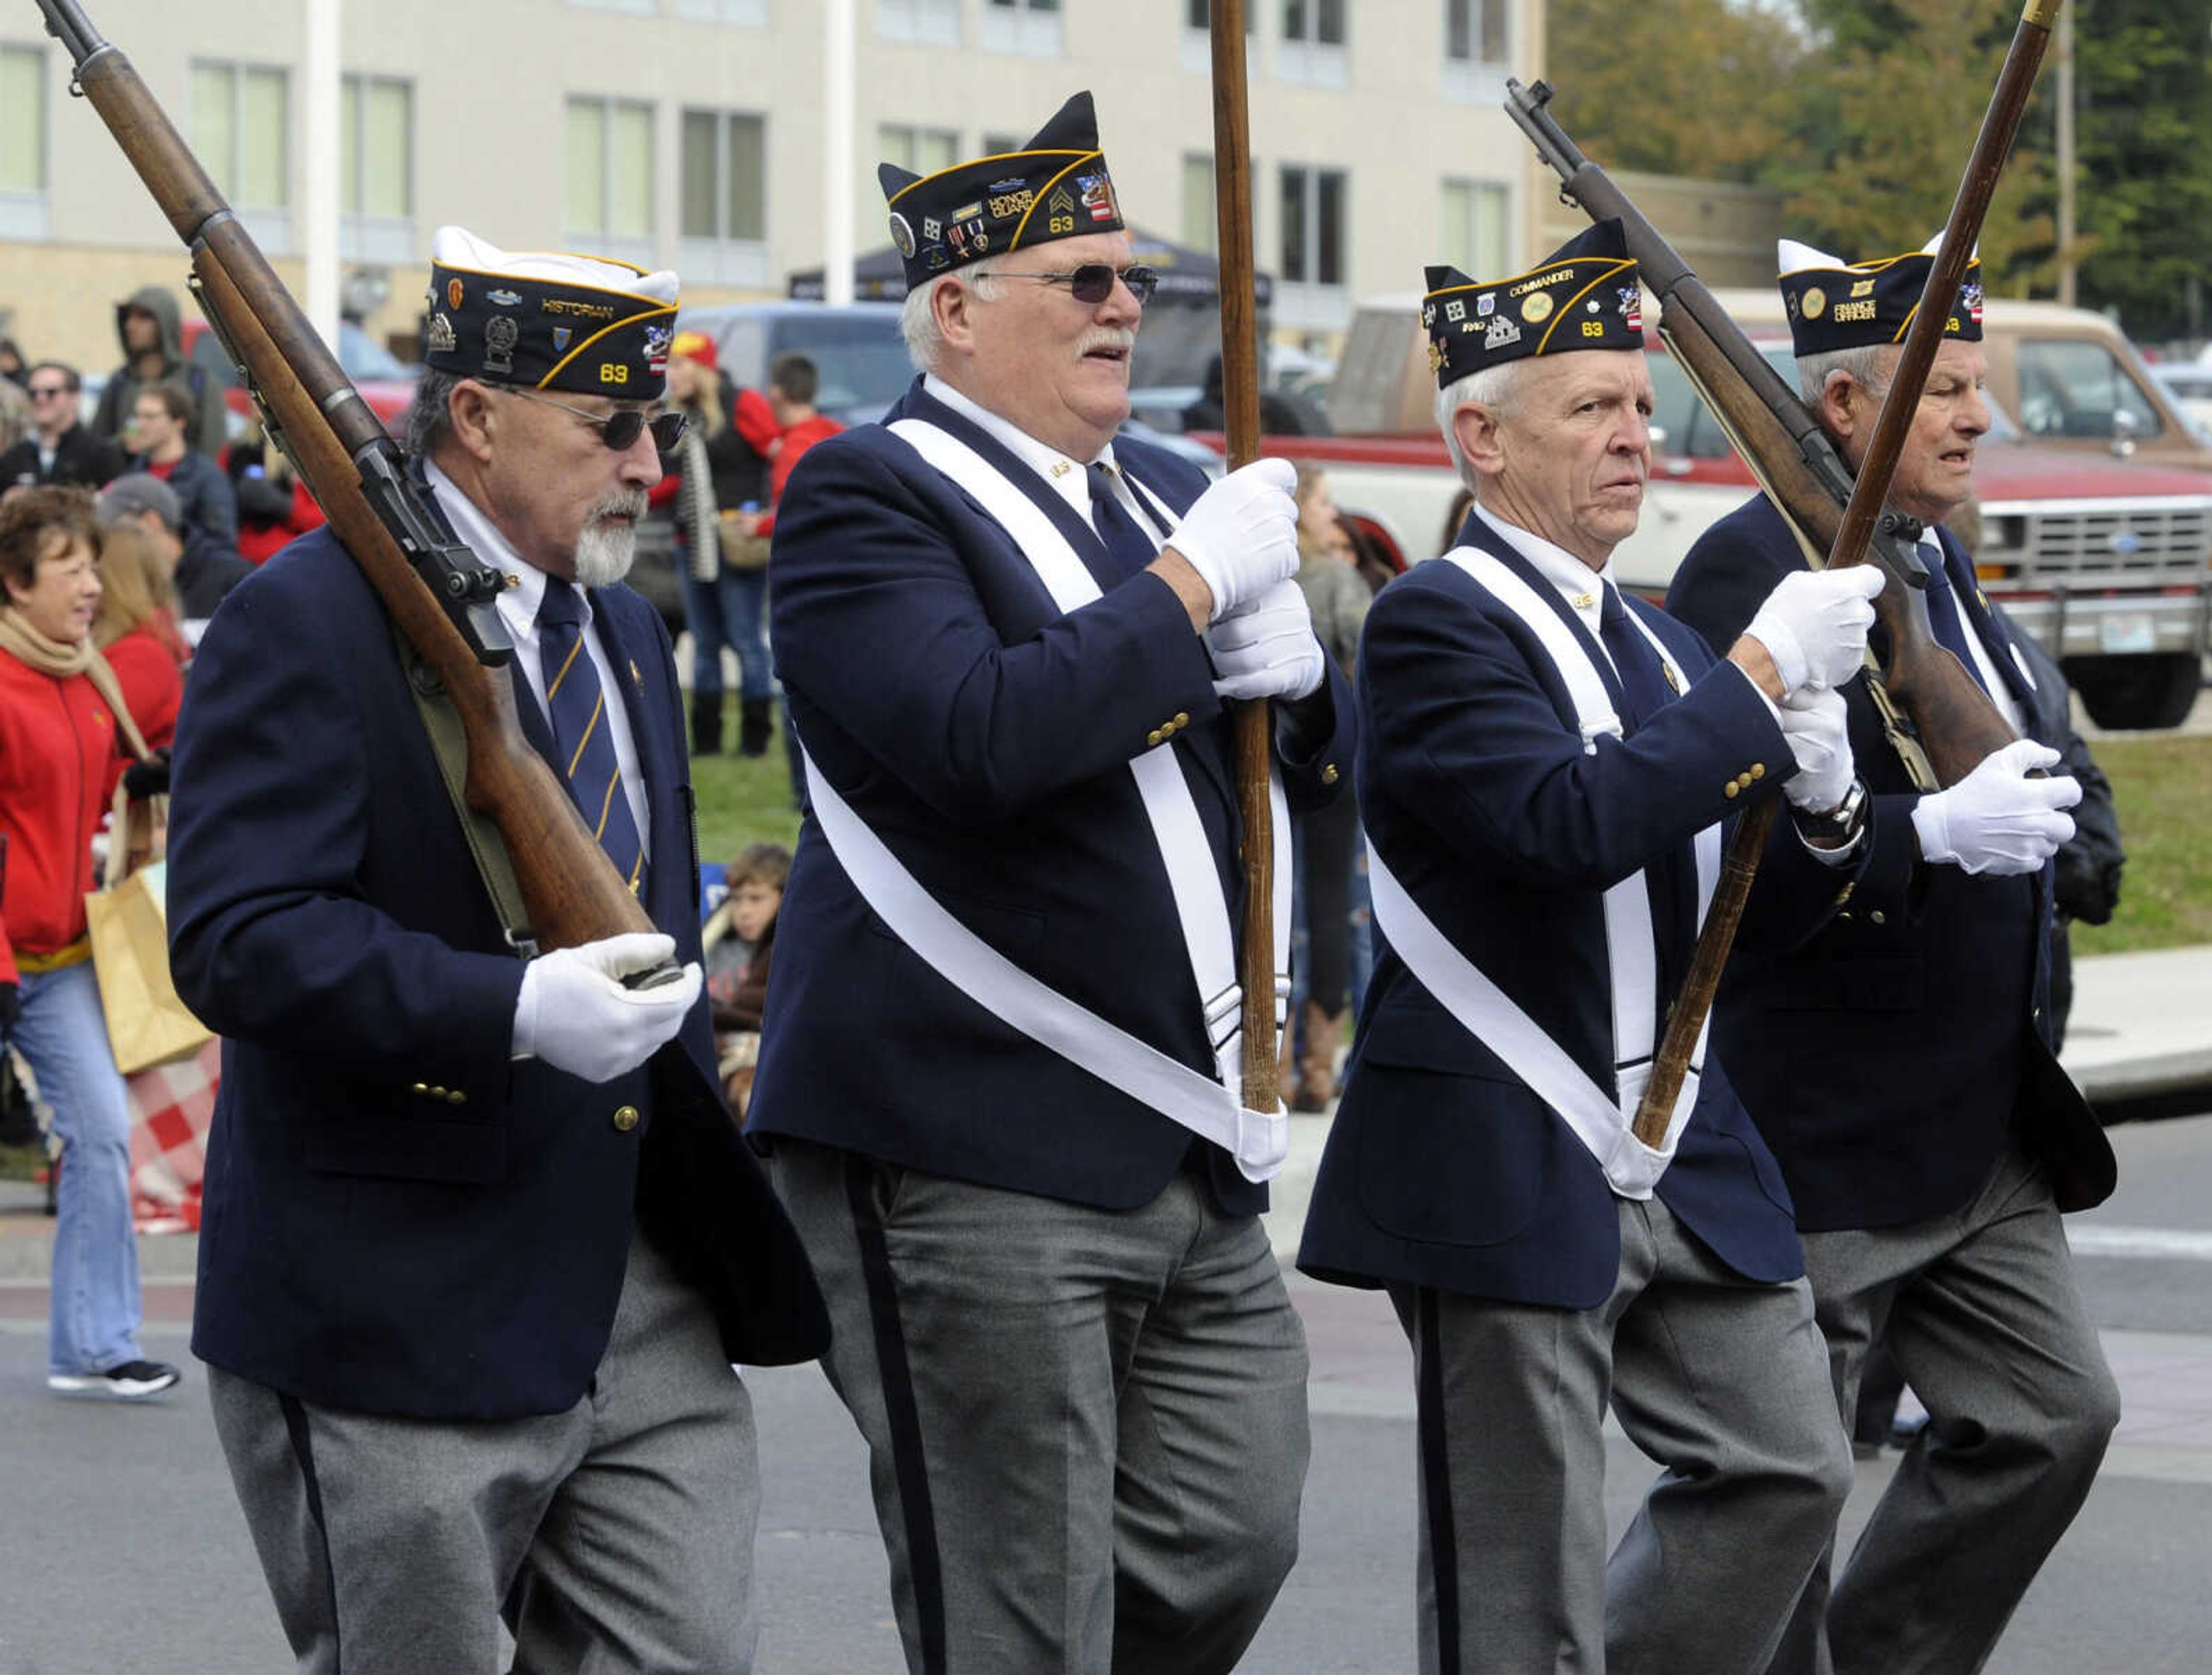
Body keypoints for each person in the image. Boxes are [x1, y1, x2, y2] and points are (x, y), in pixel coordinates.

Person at [164, 225, 828, 1674]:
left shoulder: (628, 632)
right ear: (474, 417)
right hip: (397, 1291)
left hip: (636, 1270)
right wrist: (506, 1006)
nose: (651, 465)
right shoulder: (305, 619)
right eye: (610, 427)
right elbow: (232, 938)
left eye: (654, 426)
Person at [753, 93, 1350, 1674]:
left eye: (1129, 277)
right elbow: (978, 738)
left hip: (1186, 1129)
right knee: (1016, 1596)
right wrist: (1198, 588)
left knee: (1235, 1528)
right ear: (956, 312)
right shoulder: (868, 495)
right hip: (970, 1135)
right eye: (1080, 279)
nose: (1124, 305)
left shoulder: (1159, 486)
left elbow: (1288, 784)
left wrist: (1302, 685)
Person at [1298, 222, 1887, 1674]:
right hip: (1506, 1135)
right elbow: (1562, 826)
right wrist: (1756, 684)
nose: (1633, 438)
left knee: (1789, 1466)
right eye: (1591, 410)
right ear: (1484, 441)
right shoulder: (1439, 623)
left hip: (1680, 1139)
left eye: (1639, 407)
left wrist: (1824, 808)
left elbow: (1758, 915)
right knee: (1519, 1581)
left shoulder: (1658, 643)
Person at [1666, 236, 2121, 1675]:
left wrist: (2065, 839)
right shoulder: (1748, 569)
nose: (1976, 417)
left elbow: (2044, 753)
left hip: (1984, 1122)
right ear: (1845, 410)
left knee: (2055, 1414)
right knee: (1785, 1486)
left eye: (1978, 388)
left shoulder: (1935, 556)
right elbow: (1748, 855)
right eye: (1944, 393)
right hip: (1833, 1125)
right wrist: (1933, 831)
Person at [0, 486, 180, 1401]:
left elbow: (89, 776)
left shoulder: (87, 674)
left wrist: (137, 774)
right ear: (15, 580)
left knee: (105, 1135)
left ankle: (95, 1345)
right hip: (3, 956)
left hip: (61, 954)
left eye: (90, 564)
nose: (89, 584)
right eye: (68, 567)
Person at [1286, 464, 1370, 1109]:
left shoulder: (1264, 578)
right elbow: (1368, 662)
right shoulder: (1337, 580)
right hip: (1332, 759)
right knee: (1330, 904)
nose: (1331, 514)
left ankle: (1274, 1062)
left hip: (1266, 760)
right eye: (1322, 501)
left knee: (1270, 908)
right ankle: (1318, 1068)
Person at [661, 328, 780, 756]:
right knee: (705, 641)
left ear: (702, 368)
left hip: (735, 543)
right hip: (689, 541)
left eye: (679, 365)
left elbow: (778, 453)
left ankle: (755, 741)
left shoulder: (742, 403)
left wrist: (766, 514)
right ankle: (707, 743)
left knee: (747, 640)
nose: (671, 376)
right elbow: (668, 481)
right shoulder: (678, 415)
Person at [95, 472, 250, 642]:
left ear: (150, 522)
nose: (110, 549)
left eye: (117, 536)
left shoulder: (234, 579)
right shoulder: (128, 587)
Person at [91, 285, 226, 460]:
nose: (131, 325)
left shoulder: (198, 382)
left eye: (144, 317)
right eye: (128, 317)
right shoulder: (120, 382)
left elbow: (212, 449)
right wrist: (122, 444)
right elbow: (97, 445)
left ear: (165, 322)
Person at [703, 840, 789, 1116]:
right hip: (712, 1052)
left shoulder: (786, 951)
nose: (744, 911)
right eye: (737, 898)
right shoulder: (714, 942)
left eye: (756, 899)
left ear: (783, 897)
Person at [92, 517, 188, 750]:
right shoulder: (141, 643)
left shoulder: (142, 655)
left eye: (88, 570)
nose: (85, 585)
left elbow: (93, 741)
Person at [127, 381, 238, 550]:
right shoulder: (134, 471)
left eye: (150, 417)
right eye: (138, 416)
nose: (140, 425)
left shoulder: (207, 477)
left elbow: (223, 542)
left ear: (179, 421)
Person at [1, 361, 124, 496]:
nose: (40, 398)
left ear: (75, 397)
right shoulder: (13, 458)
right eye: (33, 393)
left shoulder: (103, 454)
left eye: (51, 392)